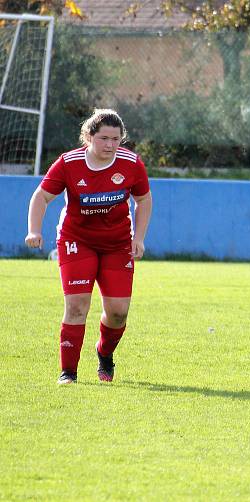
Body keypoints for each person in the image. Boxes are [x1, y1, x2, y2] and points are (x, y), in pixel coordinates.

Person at [25, 108, 153, 385]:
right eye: (104, 138)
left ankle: (104, 354)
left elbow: (143, 200)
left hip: (117, 244)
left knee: (118, 312)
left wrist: (138, 238)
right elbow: (41, 196)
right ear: (89, 137)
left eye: (116, 139)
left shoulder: (131, 164)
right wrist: (34, 229)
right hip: (76, 240)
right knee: (77, 306)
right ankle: (68, 373)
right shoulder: (68, 163)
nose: (110, 145)